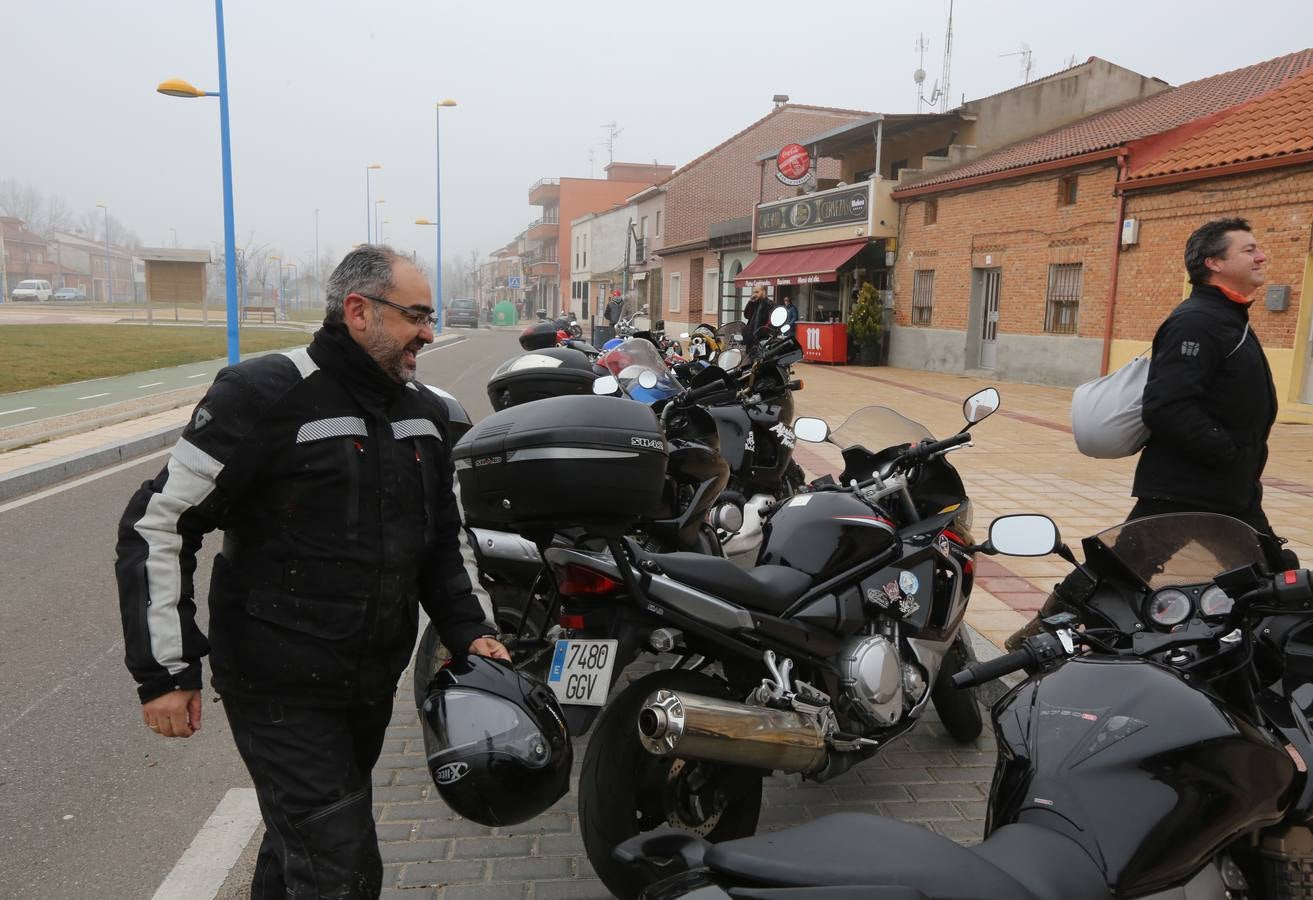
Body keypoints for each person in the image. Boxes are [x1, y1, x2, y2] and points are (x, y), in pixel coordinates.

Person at [114, 245, 509, 899]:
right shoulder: (266, 394)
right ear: (359, 311)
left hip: (366, 681)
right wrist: (165, 670)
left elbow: (443, 539)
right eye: (414, 314)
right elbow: (156, 523)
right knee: (341, 869)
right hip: (278, 688)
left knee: (302, 844)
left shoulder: (428, 414)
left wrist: (472, 631)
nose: (428, 332)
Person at [1129, 217, 1295, 570]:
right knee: (1113, 582)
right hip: (1187, 491)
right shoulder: (1198, 321)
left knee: (1270, 585)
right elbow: (1165, 406)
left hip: (1226, 491)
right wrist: (1228, 454)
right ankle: (1052, 625)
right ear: (1214, 263)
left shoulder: (1226, 317)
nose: (1261, 257)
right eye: (1249, 250)